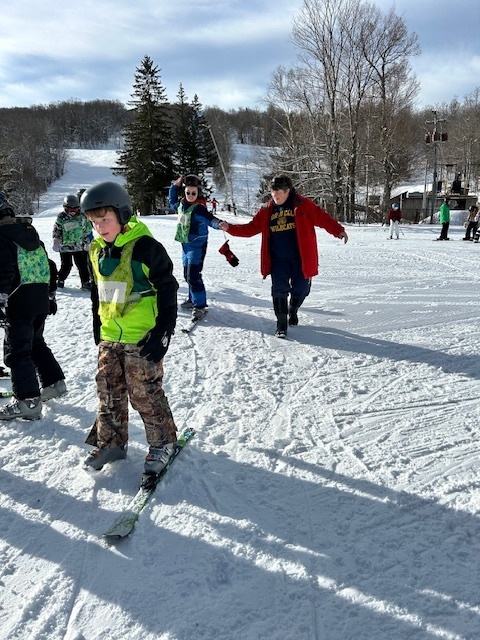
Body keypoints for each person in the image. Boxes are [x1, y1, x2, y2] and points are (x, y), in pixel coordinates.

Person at [81, 181, 179, 474]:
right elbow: (97, 291)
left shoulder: (146, 248)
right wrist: (98, 325)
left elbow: (168, 288)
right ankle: (111, 442)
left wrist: (164, 330)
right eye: (94, 222)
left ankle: (163, 443)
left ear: (122, 215)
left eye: (105, 220)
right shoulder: (96, 250)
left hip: (143, 336)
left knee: (144, 392)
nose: (100, 228)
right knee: (108, 390)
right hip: (111, 335)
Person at [219, 174, 348, 337]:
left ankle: (293, 308)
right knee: (279, 290)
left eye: (279, 192)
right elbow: (251, 228)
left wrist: (338, 230)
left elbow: (322, 218)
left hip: (301, 258)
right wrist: (229, 228)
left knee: (301, 289)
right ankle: (281, 325)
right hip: (278, 259)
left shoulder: (302, 204)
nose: (275, 195)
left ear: (288, 191)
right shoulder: (266, 210)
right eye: (273, 192)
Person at [0, 192, 66, 421]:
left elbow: (5, 270)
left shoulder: (2, 236)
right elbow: (48, 264)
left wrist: (1, 298)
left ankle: (28, 401)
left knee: (17, 350)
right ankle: (54, 383)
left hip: (18, 300)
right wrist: (50, 294)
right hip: (39, 298)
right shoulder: (29, 233)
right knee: (36, 343)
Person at [169, 174, 224, 321]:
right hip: (185, 245)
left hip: (197, 246)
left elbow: (209, 219)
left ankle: (200, 306)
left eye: (194, 193)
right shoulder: (181, 205)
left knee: (193, 276)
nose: (191, 195)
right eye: (188, 192)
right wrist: (175, 186)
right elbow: (171, 201)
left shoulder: (199, 208)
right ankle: (192, 299)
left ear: (198, 193)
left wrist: (219, 224)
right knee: (187, 275)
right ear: (185, 192)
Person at [53, 194, 93, 289]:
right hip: (65, 247)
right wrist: (56, 241)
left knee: (83, 265)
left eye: (75, 209)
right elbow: (57, 230)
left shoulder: (83, 217)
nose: (73, 212)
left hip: (79, 246)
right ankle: (60, 280)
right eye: (70, 210)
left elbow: (87, 229)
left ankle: (85, 282)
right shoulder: (61, 217)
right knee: (66, 265)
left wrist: (88, 241)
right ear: (65, 208)